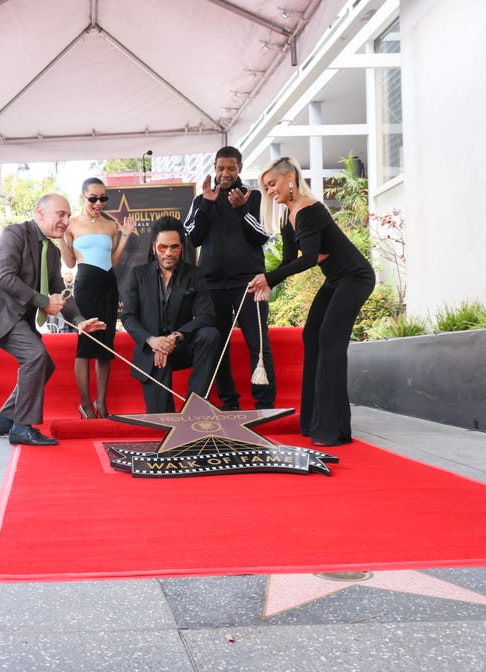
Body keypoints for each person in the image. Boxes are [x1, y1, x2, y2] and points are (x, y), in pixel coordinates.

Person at [247, 157, 375, 446]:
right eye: (265, 187)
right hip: (335, 280)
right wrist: (268, 281)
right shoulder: (287, 217)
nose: (269, 191)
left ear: (290, 177)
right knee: (312, 336)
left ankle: (331, 430)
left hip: (356, 277)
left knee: (330, 340)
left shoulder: (309, 210)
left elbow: (309, 258)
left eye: (272, 184)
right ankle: (315, 422)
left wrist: (271, 277)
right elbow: (292, 261)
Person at [0, 193, 105, 445]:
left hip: (18, 313)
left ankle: (5, 420)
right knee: (35, 356)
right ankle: (22, 427)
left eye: (68, 215)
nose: (65, 221)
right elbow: (4, 278)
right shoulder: (14, 234)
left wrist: (79, 319)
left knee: (44, 364)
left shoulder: (51, 252)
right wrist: (43, 302)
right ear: (39, 212)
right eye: (60, 214)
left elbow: (59, 291)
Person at [184, 145, 276, 410]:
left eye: (231, 168)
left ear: (240, 169)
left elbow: (262, 236)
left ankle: (264, 403)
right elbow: (194, 238)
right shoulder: (201, 199)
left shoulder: (254, 196)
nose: (225, 173)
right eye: (221, 168)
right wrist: (207, 204)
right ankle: (229, 402)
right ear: (214, 168)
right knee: (218, 345)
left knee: (258, 343)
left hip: (249, 282)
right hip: (212, 284)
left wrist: (240, 210)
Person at [121, 217, 220, 413]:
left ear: (182, 247)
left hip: (181, 346)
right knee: (160, 420)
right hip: (152, 352)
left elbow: (207, 315)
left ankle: (195, 408)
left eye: (174, 247)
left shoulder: (195, 274)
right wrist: (152, 341)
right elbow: (128, 317)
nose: (169, 253)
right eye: (163, 247)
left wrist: (174, 337)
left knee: (210, 334)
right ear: (154, 247)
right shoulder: (138, 275)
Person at [59, 177, 135, 419]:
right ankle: (85, 405)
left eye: (103, 198)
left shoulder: (111, 225)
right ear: (82, 198)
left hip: (108, 284)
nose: (99, 202)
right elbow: (70, 262)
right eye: (93, 198)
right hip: (86, 285)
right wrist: (61, 238)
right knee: (85, 347)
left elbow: (113, 261)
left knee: (105, 346)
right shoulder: (71, 225)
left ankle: (101, 403)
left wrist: (125, 236)